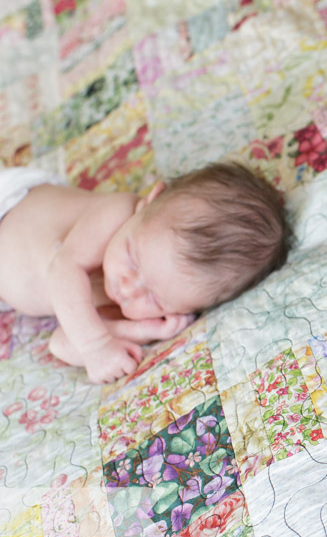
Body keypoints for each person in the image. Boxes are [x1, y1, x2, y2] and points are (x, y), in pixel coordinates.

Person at [0, 162, 291, 384]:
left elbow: (62, 344)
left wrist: (140, 331)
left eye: (155, 299)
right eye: (133, 259)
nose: (129, 288)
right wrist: (97, 345)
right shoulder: (116, 213)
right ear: (148, 202)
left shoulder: (127, 308)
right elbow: (62, 268)